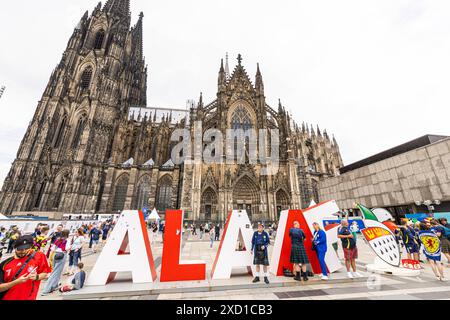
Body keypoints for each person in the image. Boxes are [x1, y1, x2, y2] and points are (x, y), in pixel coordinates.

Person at [0, 235, 51, 300]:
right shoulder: (5, 264)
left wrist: (36, 277)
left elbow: (45, 273)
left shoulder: (39, 256)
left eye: (26, 248)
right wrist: (16, 282)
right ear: (15, 248)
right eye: (20, 249)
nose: (23, 251)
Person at [42, 230, 70, 295]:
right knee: (55, 273)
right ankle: (46, 289)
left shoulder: (58, 239)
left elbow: (52, 248)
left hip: (55, 254)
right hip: (62, 255)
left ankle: (54, 286)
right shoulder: (67, 240)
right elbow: (66, 248)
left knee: (55, 271)